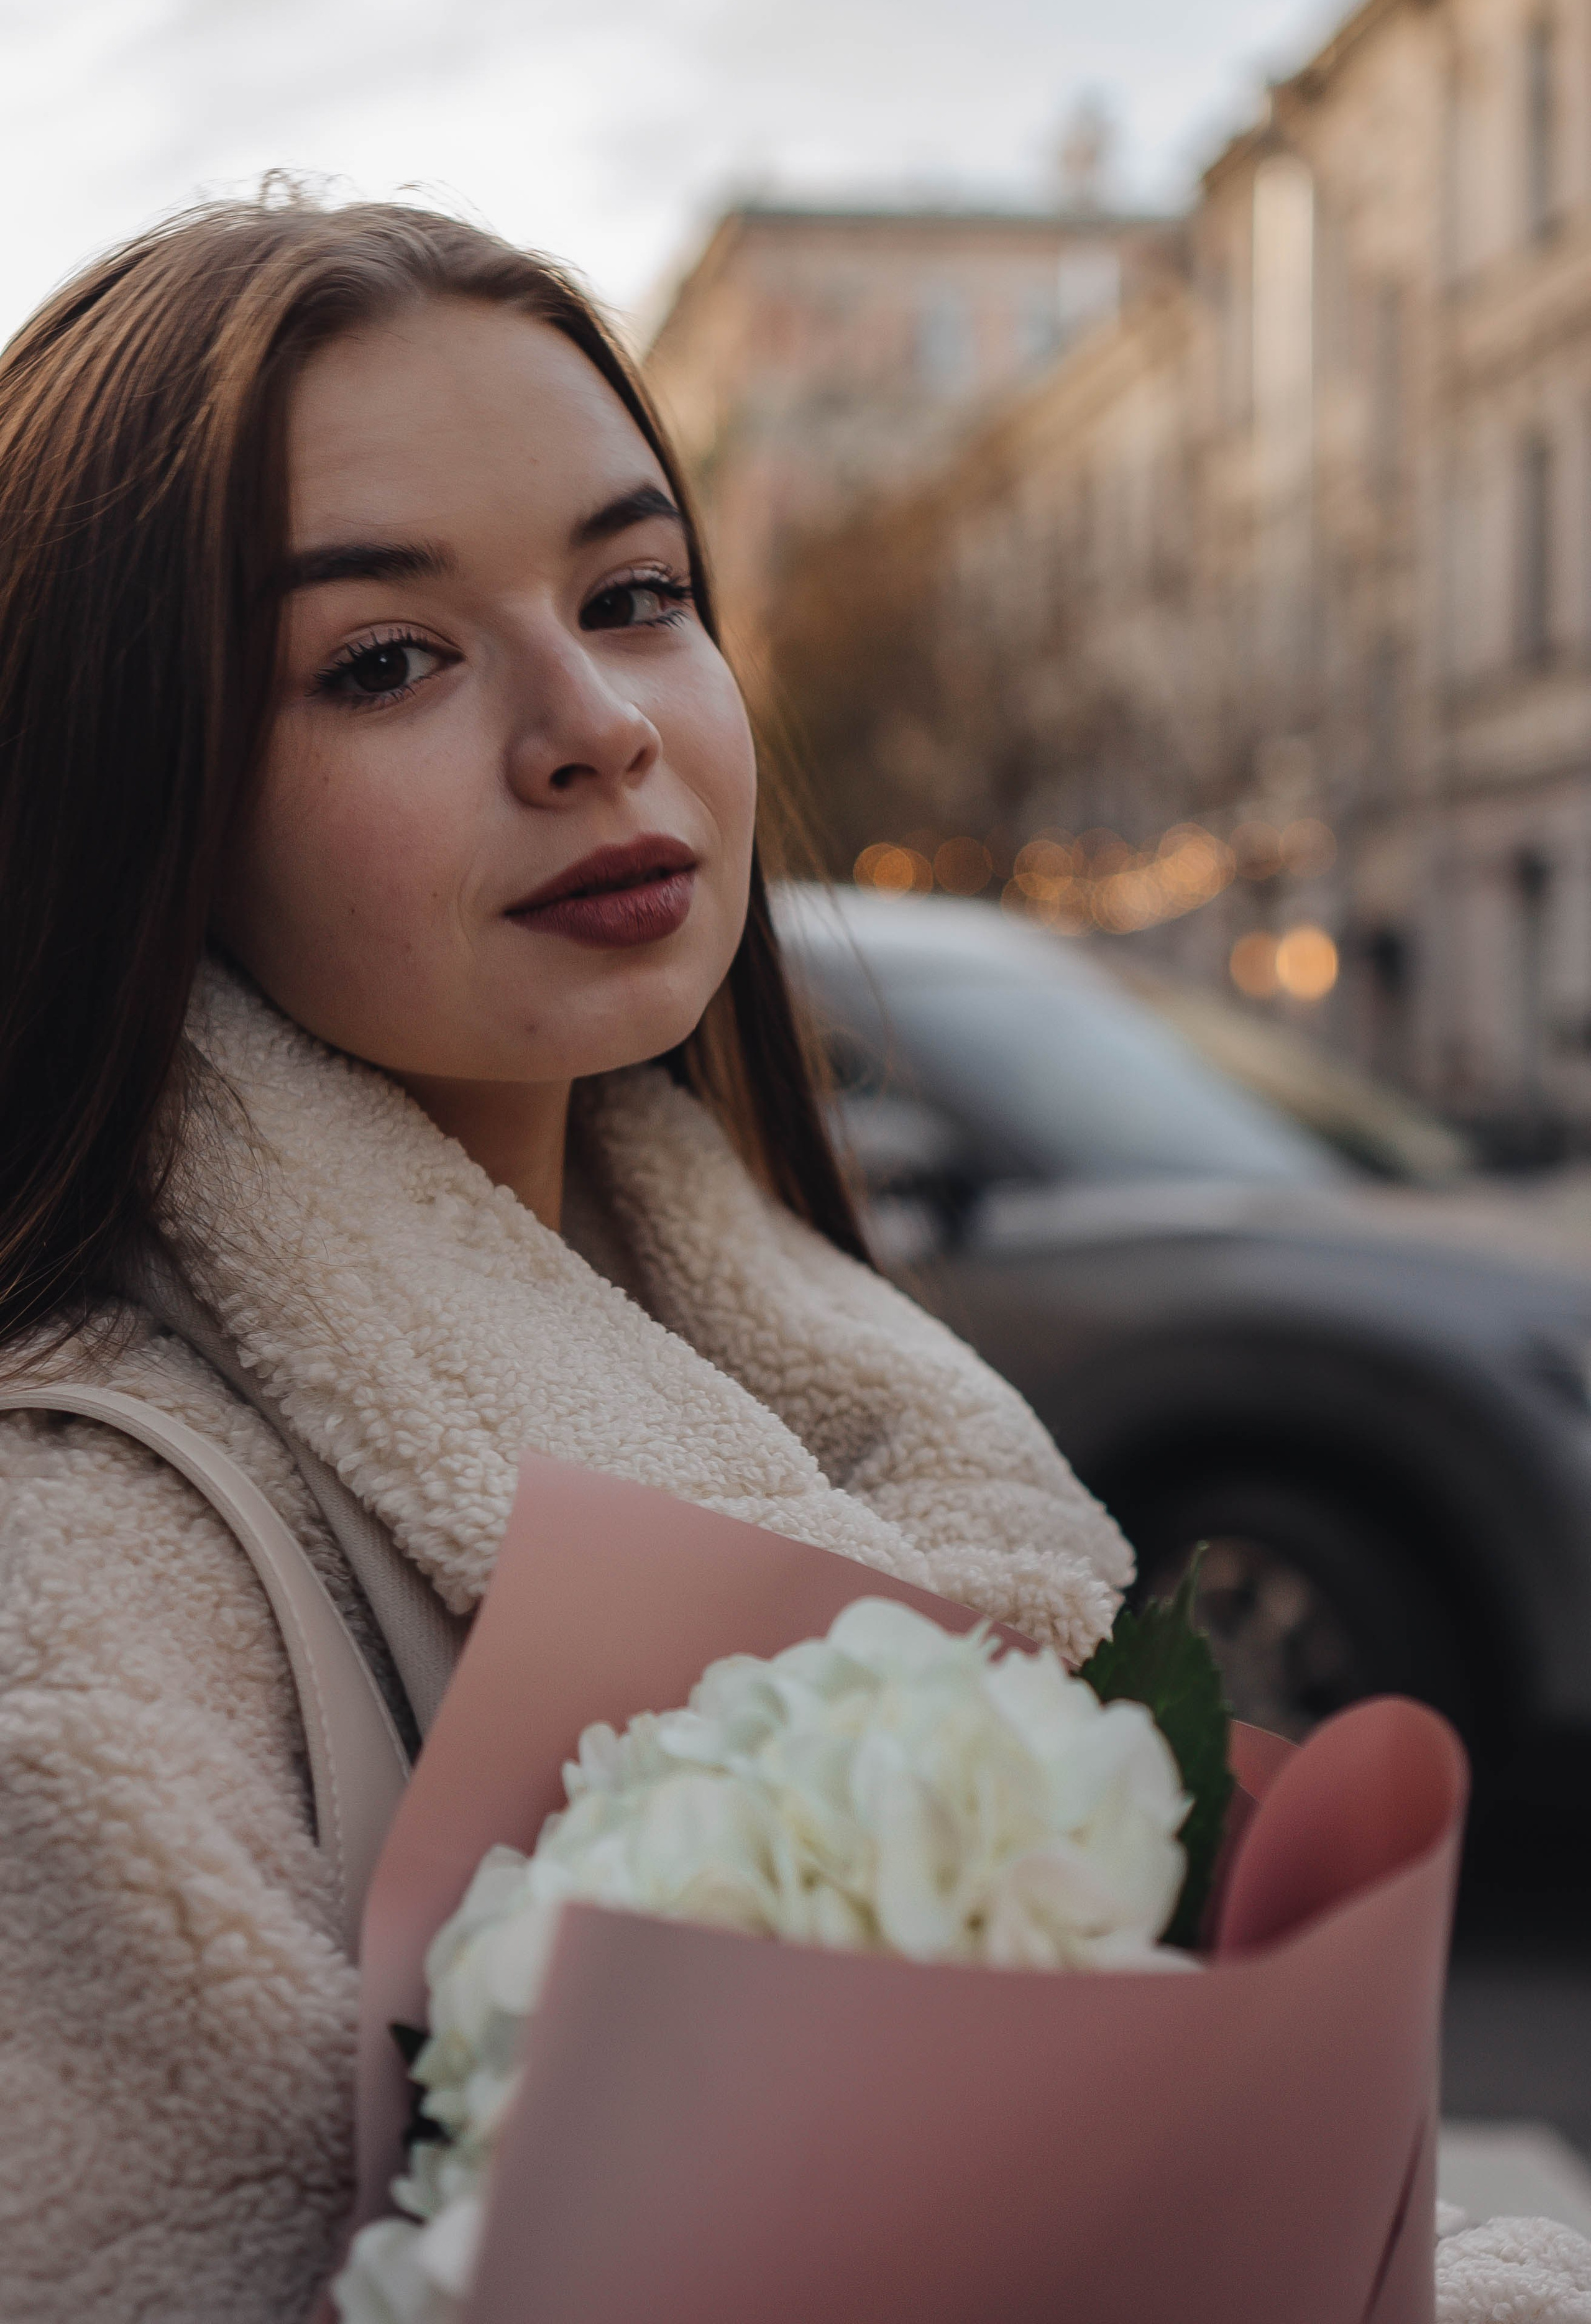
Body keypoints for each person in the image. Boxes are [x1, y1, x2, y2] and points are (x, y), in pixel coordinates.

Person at [0, 196, 1132, 2322]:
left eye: (634, 595)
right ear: (123, 788)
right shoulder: (81, 1579)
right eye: (385, 660)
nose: (595, 720)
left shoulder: (803, 1358)